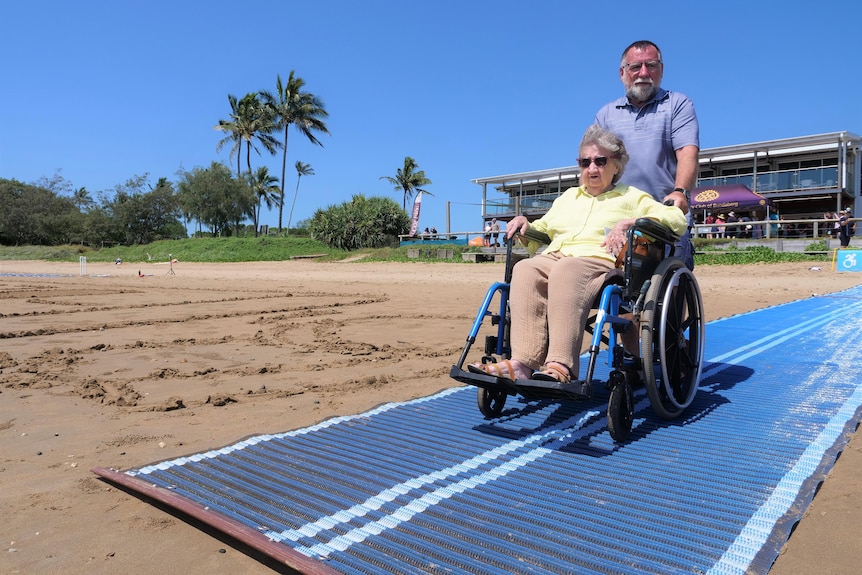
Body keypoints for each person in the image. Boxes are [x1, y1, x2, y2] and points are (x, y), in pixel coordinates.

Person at [468, 125, 687, 384]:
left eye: (600, 161)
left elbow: (676, 219)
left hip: (597, 262)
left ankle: (561, 365)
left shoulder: (631, 196)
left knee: (566, 269)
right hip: (557, 255)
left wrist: (632, 221)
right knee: (525, 269)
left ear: (616, 165)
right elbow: (543, 229)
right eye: (585, 162)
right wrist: (525, 224)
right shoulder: (568, 197)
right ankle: (522, 363)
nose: (591, 168)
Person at [594, 40, 699, 269]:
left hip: (663, 213)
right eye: (635, 67)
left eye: (651, 66)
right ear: (622, 73)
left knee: (669, 288)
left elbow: (687, 153)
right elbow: (595, 164)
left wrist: (680, 191)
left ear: (661, 70)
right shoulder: (606, 114)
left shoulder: (677, 105)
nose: (644, 73)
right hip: (617, 215)